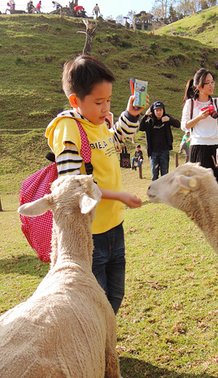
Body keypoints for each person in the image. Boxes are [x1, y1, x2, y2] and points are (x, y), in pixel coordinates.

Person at [45, 55, 144, 315]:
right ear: (75, 101)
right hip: (89, 233)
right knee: (94, 301)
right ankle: (94, 349)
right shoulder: (68, 128)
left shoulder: (97, 123)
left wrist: (130, 113)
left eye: (108, 100)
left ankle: (103, 344)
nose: (105, 108)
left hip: (113, 226)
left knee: (114, 294)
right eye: (99, 102)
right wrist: (119, 196)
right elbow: (70, 187)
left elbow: (116, 141)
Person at [181, 69, 218, 190]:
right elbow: (184, 126)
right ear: (199, 86)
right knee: (200, 188)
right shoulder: (190, 104)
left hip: (216, 147)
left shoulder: (217, 101)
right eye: (208, 83)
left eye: (212, 82)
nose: (211, 85)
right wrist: (199, 117)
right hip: (198, 147)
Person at [139, 101, 180, 181]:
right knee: (154, 176)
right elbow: (141, 127)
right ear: (153, 111)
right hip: (154, 153)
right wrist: (145, 115)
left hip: (164, 151)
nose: (158, 112)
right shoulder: (150, 122)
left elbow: (178, 124)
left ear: (163, 110)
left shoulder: (166, 119)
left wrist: (169, 119)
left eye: (160, 110)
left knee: (165, 176)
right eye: (156, 110)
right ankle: (155, 193)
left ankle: (164, 193)